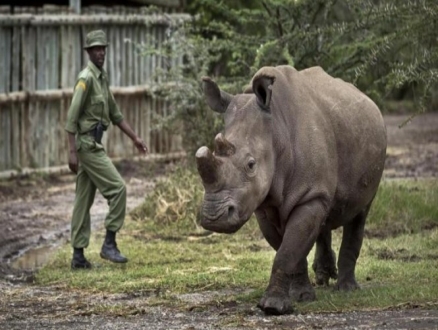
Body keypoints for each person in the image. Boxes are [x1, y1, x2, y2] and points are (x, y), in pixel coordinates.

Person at [65, 30, 148, 270]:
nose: (101, 52)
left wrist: (135, 138)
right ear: (89, 52)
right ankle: (109, 244)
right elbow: (71, 118)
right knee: (118, 189)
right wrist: (71, 152)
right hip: (87, 146)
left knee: (83, 199)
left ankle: (78, 256)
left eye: (103, 48)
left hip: (93, 144)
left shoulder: (102, 78)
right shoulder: (86, 78)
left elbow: (115, 113)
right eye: (96, 49)